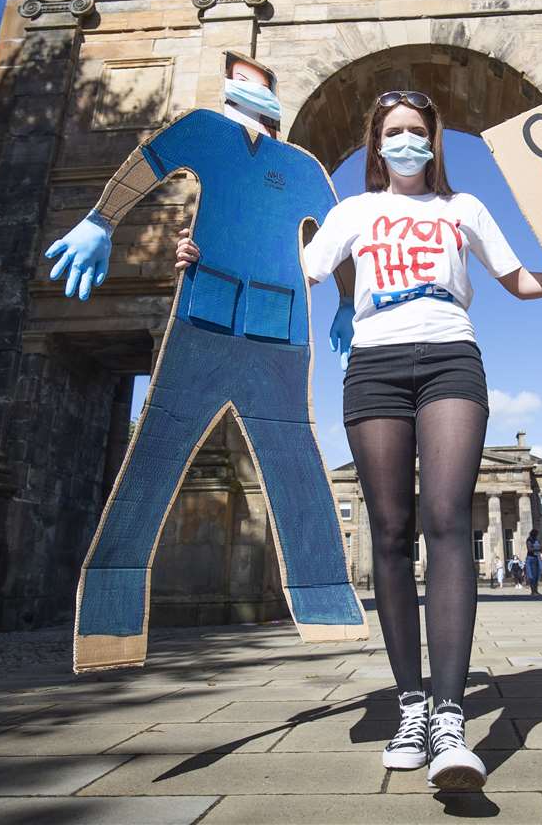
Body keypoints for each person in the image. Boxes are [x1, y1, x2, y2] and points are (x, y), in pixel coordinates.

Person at [181, 88, 542, 789]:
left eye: (418, 132)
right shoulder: (354, 212)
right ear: (377, 145)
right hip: (373, 365)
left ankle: (453, 717)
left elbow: (520, 279)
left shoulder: (465, 210)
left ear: (435, 142)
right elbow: (295, 271)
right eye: (394, 133)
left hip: (451, 358)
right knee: (392, 532)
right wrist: (203, 254)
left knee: (448, 520)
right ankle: (411, 705)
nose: (407, 143)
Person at [45, 52, 367, 672]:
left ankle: (328, 603)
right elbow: (146, 166)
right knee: (153, 458)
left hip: (279, 328)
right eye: (236, 79)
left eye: (252, 79)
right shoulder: (202, 131)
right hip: (203, 316)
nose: (242, 86)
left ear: (272, 94)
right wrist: (99, 220)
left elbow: (339, 236)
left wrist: (348, 302)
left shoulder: (303, 167)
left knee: (296, 459)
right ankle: (108, 623)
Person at [524, 529, 542, 597]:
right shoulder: (529, 540)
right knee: (531, 576)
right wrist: (539, 548)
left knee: (536, 576)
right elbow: (529, 549)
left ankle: (536, 590)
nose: (537, 535)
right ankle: (533, 591)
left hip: (536, 558)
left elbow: (540, 547)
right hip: (530, 559)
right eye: (536, 534)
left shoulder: (536, 540)